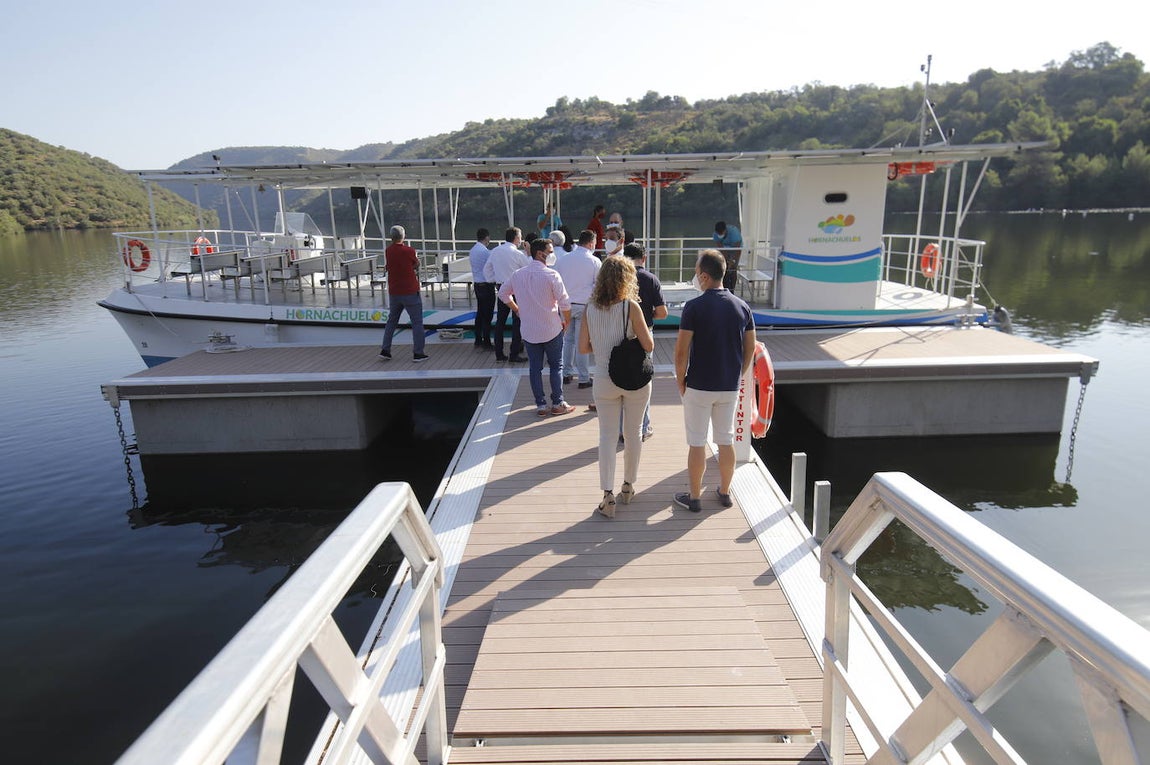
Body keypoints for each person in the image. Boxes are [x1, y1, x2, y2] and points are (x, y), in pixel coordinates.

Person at [672, 249, 756, 513]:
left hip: (699, 385)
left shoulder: (694, 307)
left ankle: (695, 497)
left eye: (697, 272)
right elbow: (750, 349)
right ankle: (725, 491)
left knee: (697, 441)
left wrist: (680, 380)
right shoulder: (742, 306)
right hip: (728, 386)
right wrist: (738, 374)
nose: (696, 277)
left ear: (705, 276)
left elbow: (681, 351)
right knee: (725, 439)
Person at [578, 256, 654, 518]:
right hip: (633, 379)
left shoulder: (590, 308)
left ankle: (607, 496)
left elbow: (582, 348)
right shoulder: (631, 306)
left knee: (607, 437)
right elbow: (649, 346)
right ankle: (628, 487)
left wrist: (603, 348)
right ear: (628, 279)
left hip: (603, 378)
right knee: (633, 433)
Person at [499, 238, 575, 417]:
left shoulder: (517, 274)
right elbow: (565, 303)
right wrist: (567, 322)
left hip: (528, 329)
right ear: (541, 254)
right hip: (552, 327)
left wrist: (517, 310)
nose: (552, 255)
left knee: (535, 368)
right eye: (550, 252)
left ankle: (541, 405)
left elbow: (503, 293)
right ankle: (557, 403)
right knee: (556, 366)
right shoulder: (552, 275)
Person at [625, 242, 667, 440]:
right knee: (643, 378)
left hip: (619, 332)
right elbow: (662, 313)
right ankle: (643, 427)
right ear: (644, 258)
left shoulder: (618, 277)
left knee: (620, 377)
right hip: (645, 333)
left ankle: (622, 429)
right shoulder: (651, 279)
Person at [553, 229, 601, 388]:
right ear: (590, 243)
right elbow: (598, 285)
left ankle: (566, 374)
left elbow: (556, 282)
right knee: (583, 342)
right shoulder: (594, 261)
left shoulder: (563, 260)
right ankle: (583, 378)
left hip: (565, 305)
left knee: (568, 341)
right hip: (584, 305)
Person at [378, 226, 429, 362]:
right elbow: (416, 264)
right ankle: (418, 353)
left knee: (391, 321)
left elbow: (390, 266)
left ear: (391, 237)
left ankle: (385, 349)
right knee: (417, 322)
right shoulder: (409, 251)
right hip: (410, 291)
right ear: (404, 236)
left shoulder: (388, 251)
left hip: (394, 291)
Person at [483, 227, 530, 362]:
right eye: (520, 237)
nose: (521, 239)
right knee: (517, 321)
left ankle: (499, 353)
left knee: (500, 322)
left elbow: (487, 269)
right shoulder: (518, 254)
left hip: (501, 287)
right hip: (516, 289)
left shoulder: (495, 251)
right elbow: (528, 269)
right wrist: (527, 252)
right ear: (516, 238)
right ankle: (514, 353)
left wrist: (494, 280)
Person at [469, 228, 495, 349]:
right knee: (487, 315)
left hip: (477, 284)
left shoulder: (473, 250)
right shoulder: (486, 252)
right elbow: (491, 267)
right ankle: (487, 342)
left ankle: (478, 339)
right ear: (486, 238)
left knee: (480, 313)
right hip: (486, 285)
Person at [713, 220, 743, 291]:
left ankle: (732, 289)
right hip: (724, 250)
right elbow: (720, 247)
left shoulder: (734, 232)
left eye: (721, 233)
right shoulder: (715, 234)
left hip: (735, 249)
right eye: (718, 233)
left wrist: (733, 261)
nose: (720, 234)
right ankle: (724, 288)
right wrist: (726, 259)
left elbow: (737, 249)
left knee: (733, 269)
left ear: (725, 230)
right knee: (723, 267)